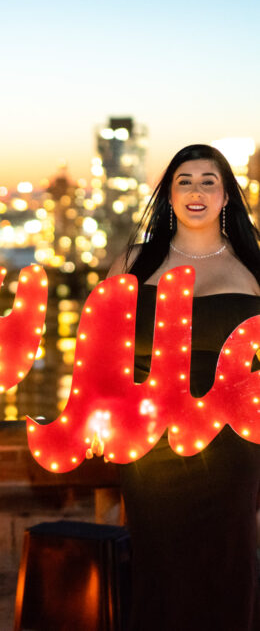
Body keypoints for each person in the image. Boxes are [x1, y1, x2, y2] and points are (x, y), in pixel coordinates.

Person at [107, 144, 260, 630]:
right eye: (184, 180)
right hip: (150, 450)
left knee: (228, 568)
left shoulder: (253, 268)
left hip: (233, 450)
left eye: (208, 181)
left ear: (227, 196)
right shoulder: (133, 263)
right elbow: (103, 357)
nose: (196, 191)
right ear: (169, 195)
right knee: (157, 569)